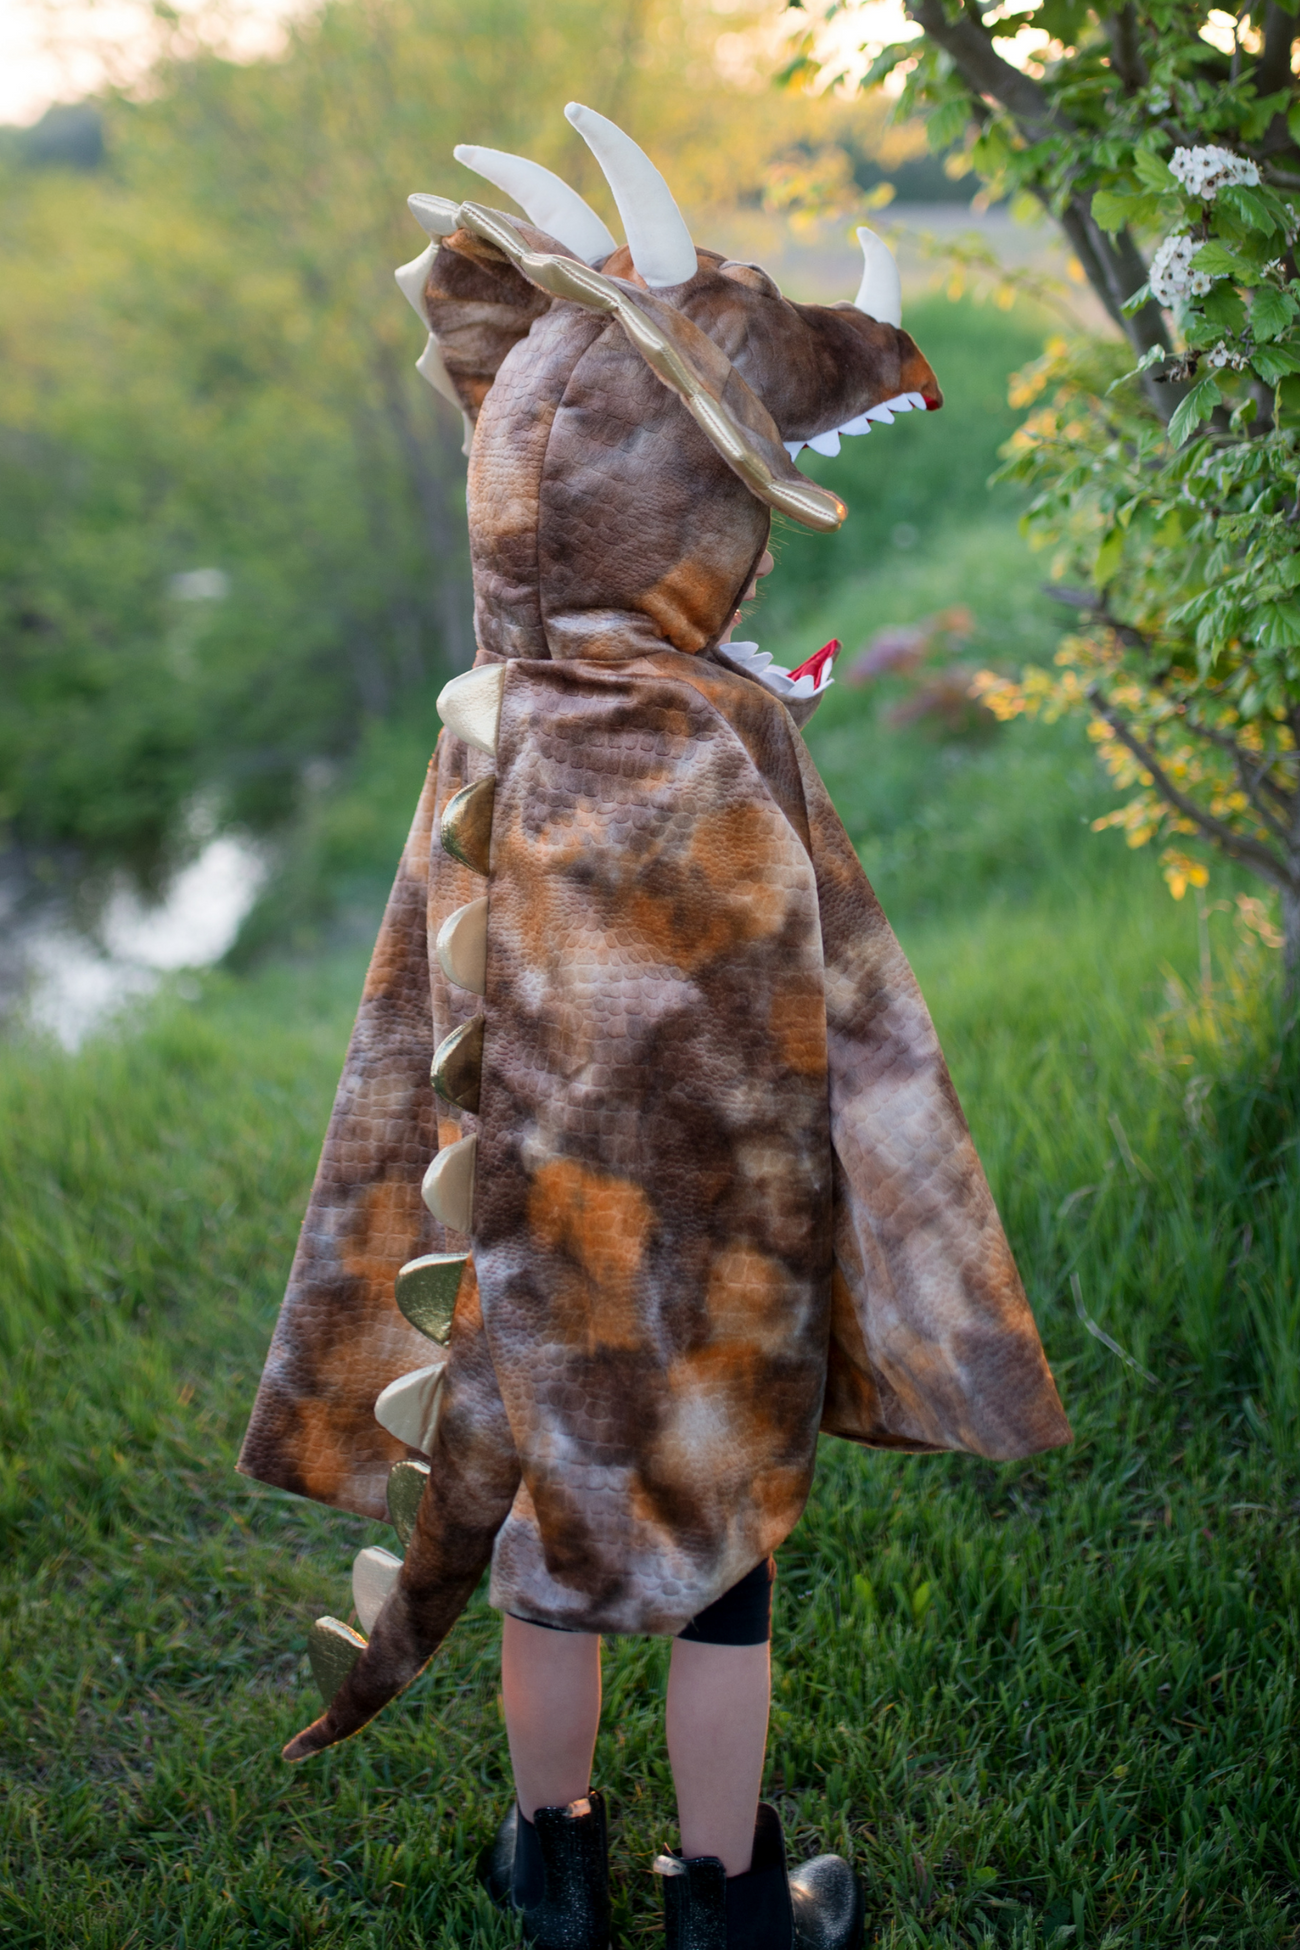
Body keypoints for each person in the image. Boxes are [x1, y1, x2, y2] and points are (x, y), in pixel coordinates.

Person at [239, 105, 1071, 1950]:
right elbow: (840, 1013)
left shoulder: (485, 724)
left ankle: (552, 1870)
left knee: (548, 1553)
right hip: (711, 1283)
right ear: (672, 507)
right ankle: (728, 1895)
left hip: (531, 1269)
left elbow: (413, 1026)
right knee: (718, 1583)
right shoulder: (720, 743)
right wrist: (901, 1243)